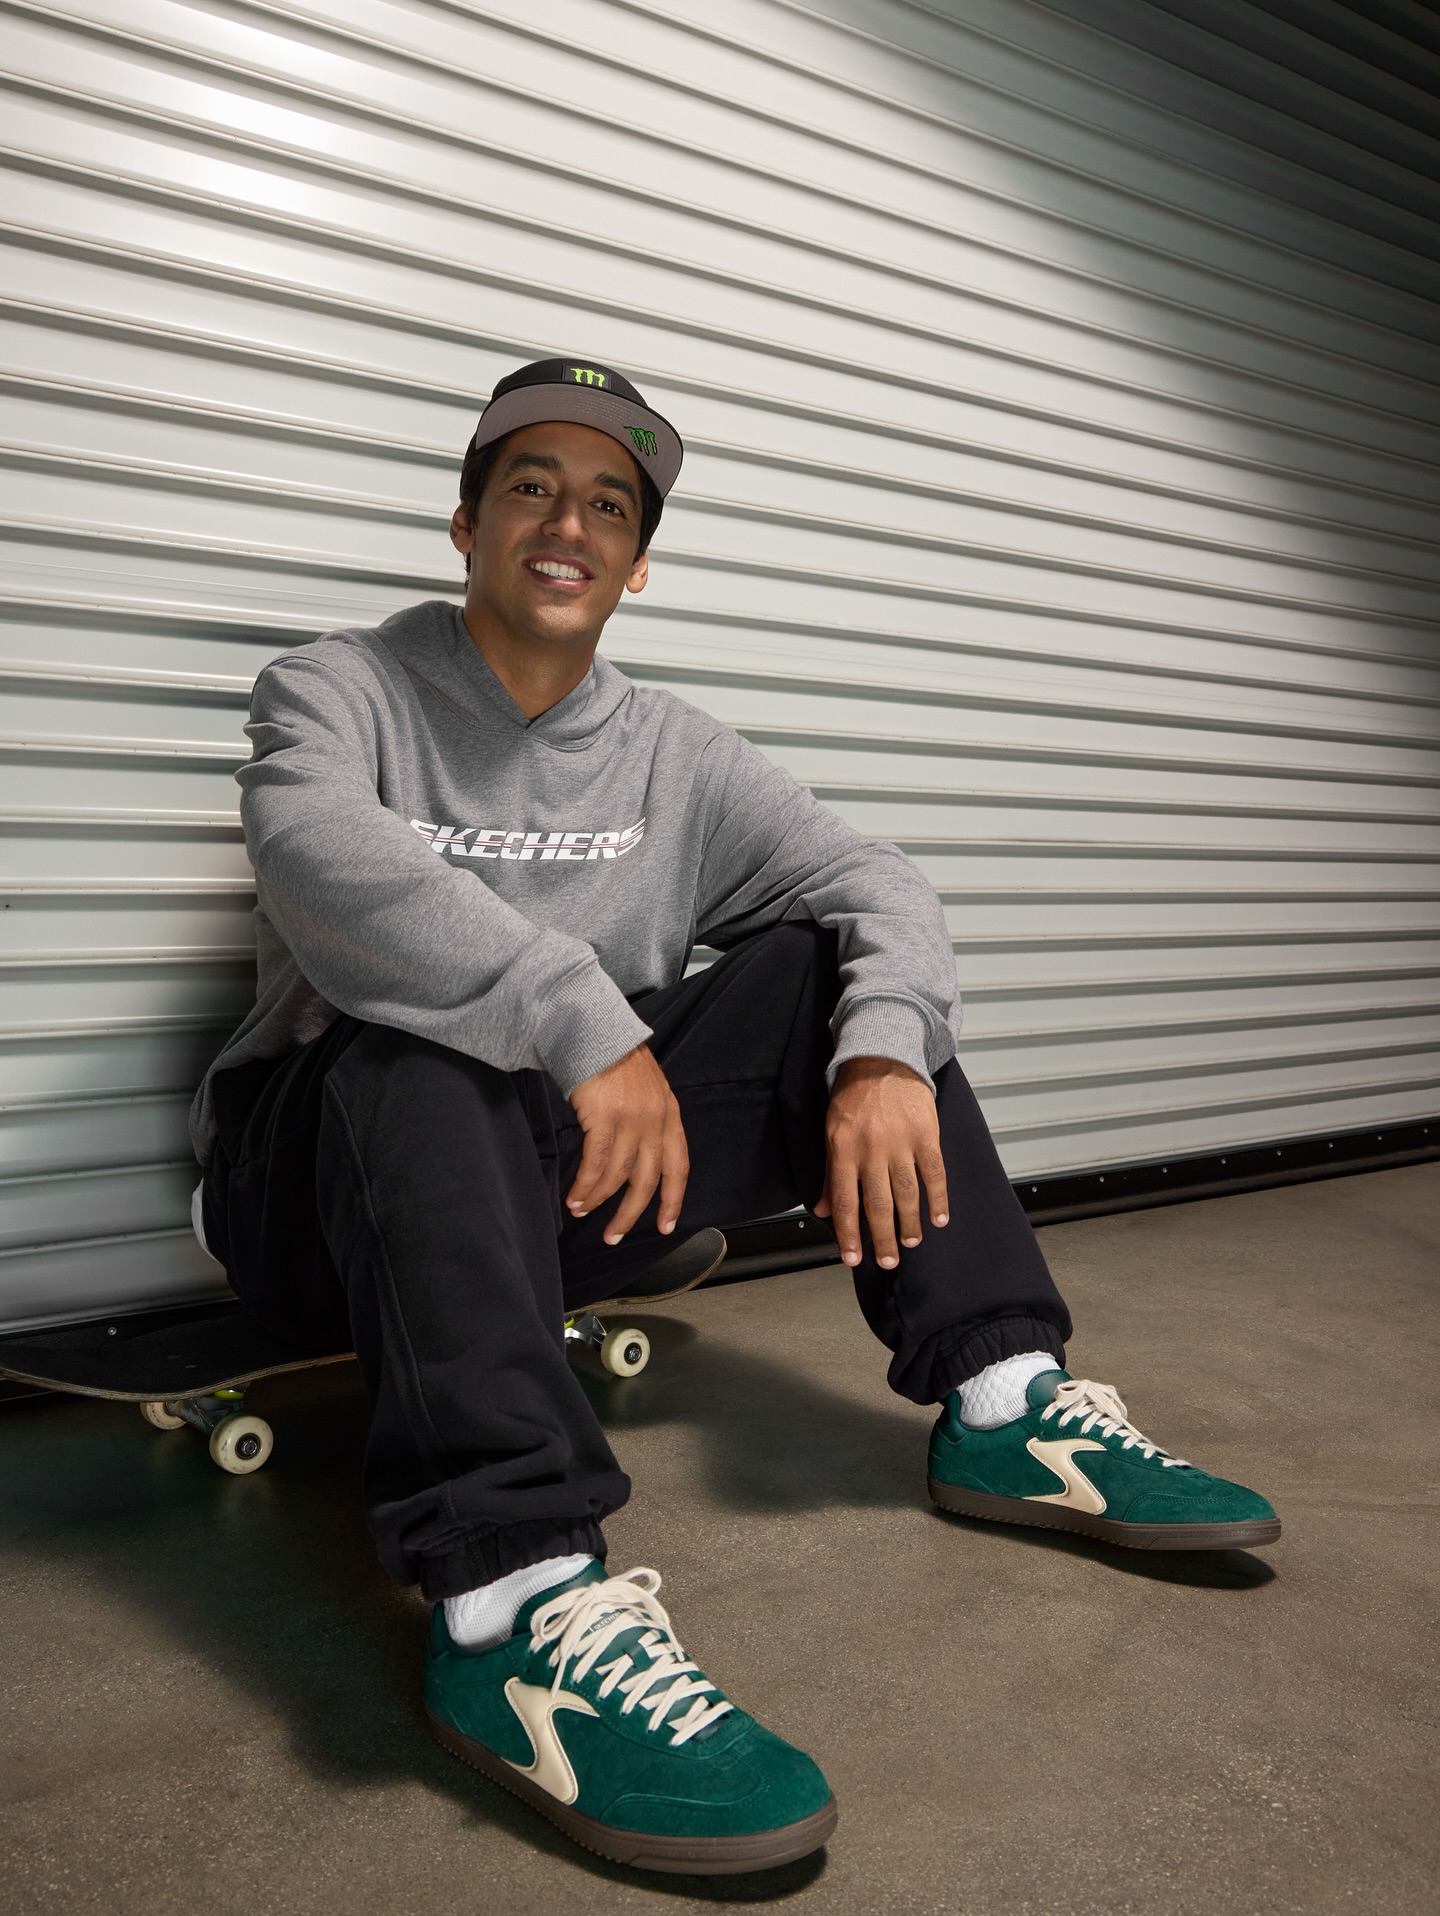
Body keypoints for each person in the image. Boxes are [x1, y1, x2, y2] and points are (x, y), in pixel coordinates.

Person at [192, 357, 1280, 1876]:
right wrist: (576, 1017)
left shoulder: (676, 753)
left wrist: (883, 1054)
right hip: (327, 1198)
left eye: (608, 506)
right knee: (415, 1052)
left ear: (636, 564)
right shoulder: (339, 687)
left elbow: (875, 882)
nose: (567, 524)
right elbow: (319, 857)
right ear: (465, 523)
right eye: (530, 487)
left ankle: (1005, 1404)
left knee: (836, 973)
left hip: (550, 1202)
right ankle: (512, 1602)